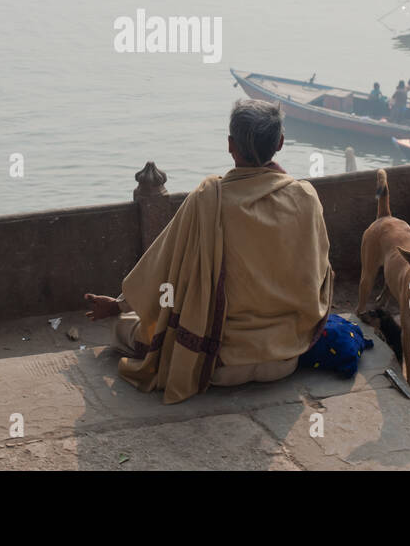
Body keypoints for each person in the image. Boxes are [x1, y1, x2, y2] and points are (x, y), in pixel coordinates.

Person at [83, 99, 332, 403]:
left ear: (230, 145)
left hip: (215, 362)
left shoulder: (208, 198)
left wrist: (120, 306)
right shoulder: (305, 197)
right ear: (280, 142)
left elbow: (161, 267)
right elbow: (319, 273)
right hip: (285, 358)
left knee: (124, 328)